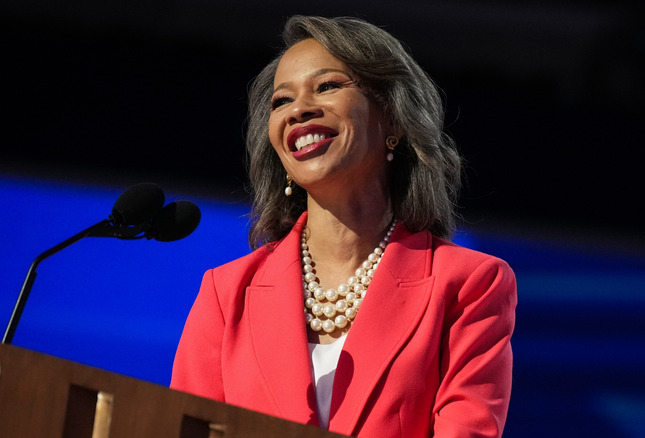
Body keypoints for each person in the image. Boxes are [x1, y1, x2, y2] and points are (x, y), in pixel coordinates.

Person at [171, 15, 517, 437]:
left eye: (327, 86)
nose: (299, 109)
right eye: (282, 101)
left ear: (392, 119)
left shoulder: (468, 285)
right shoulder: (226, 296)